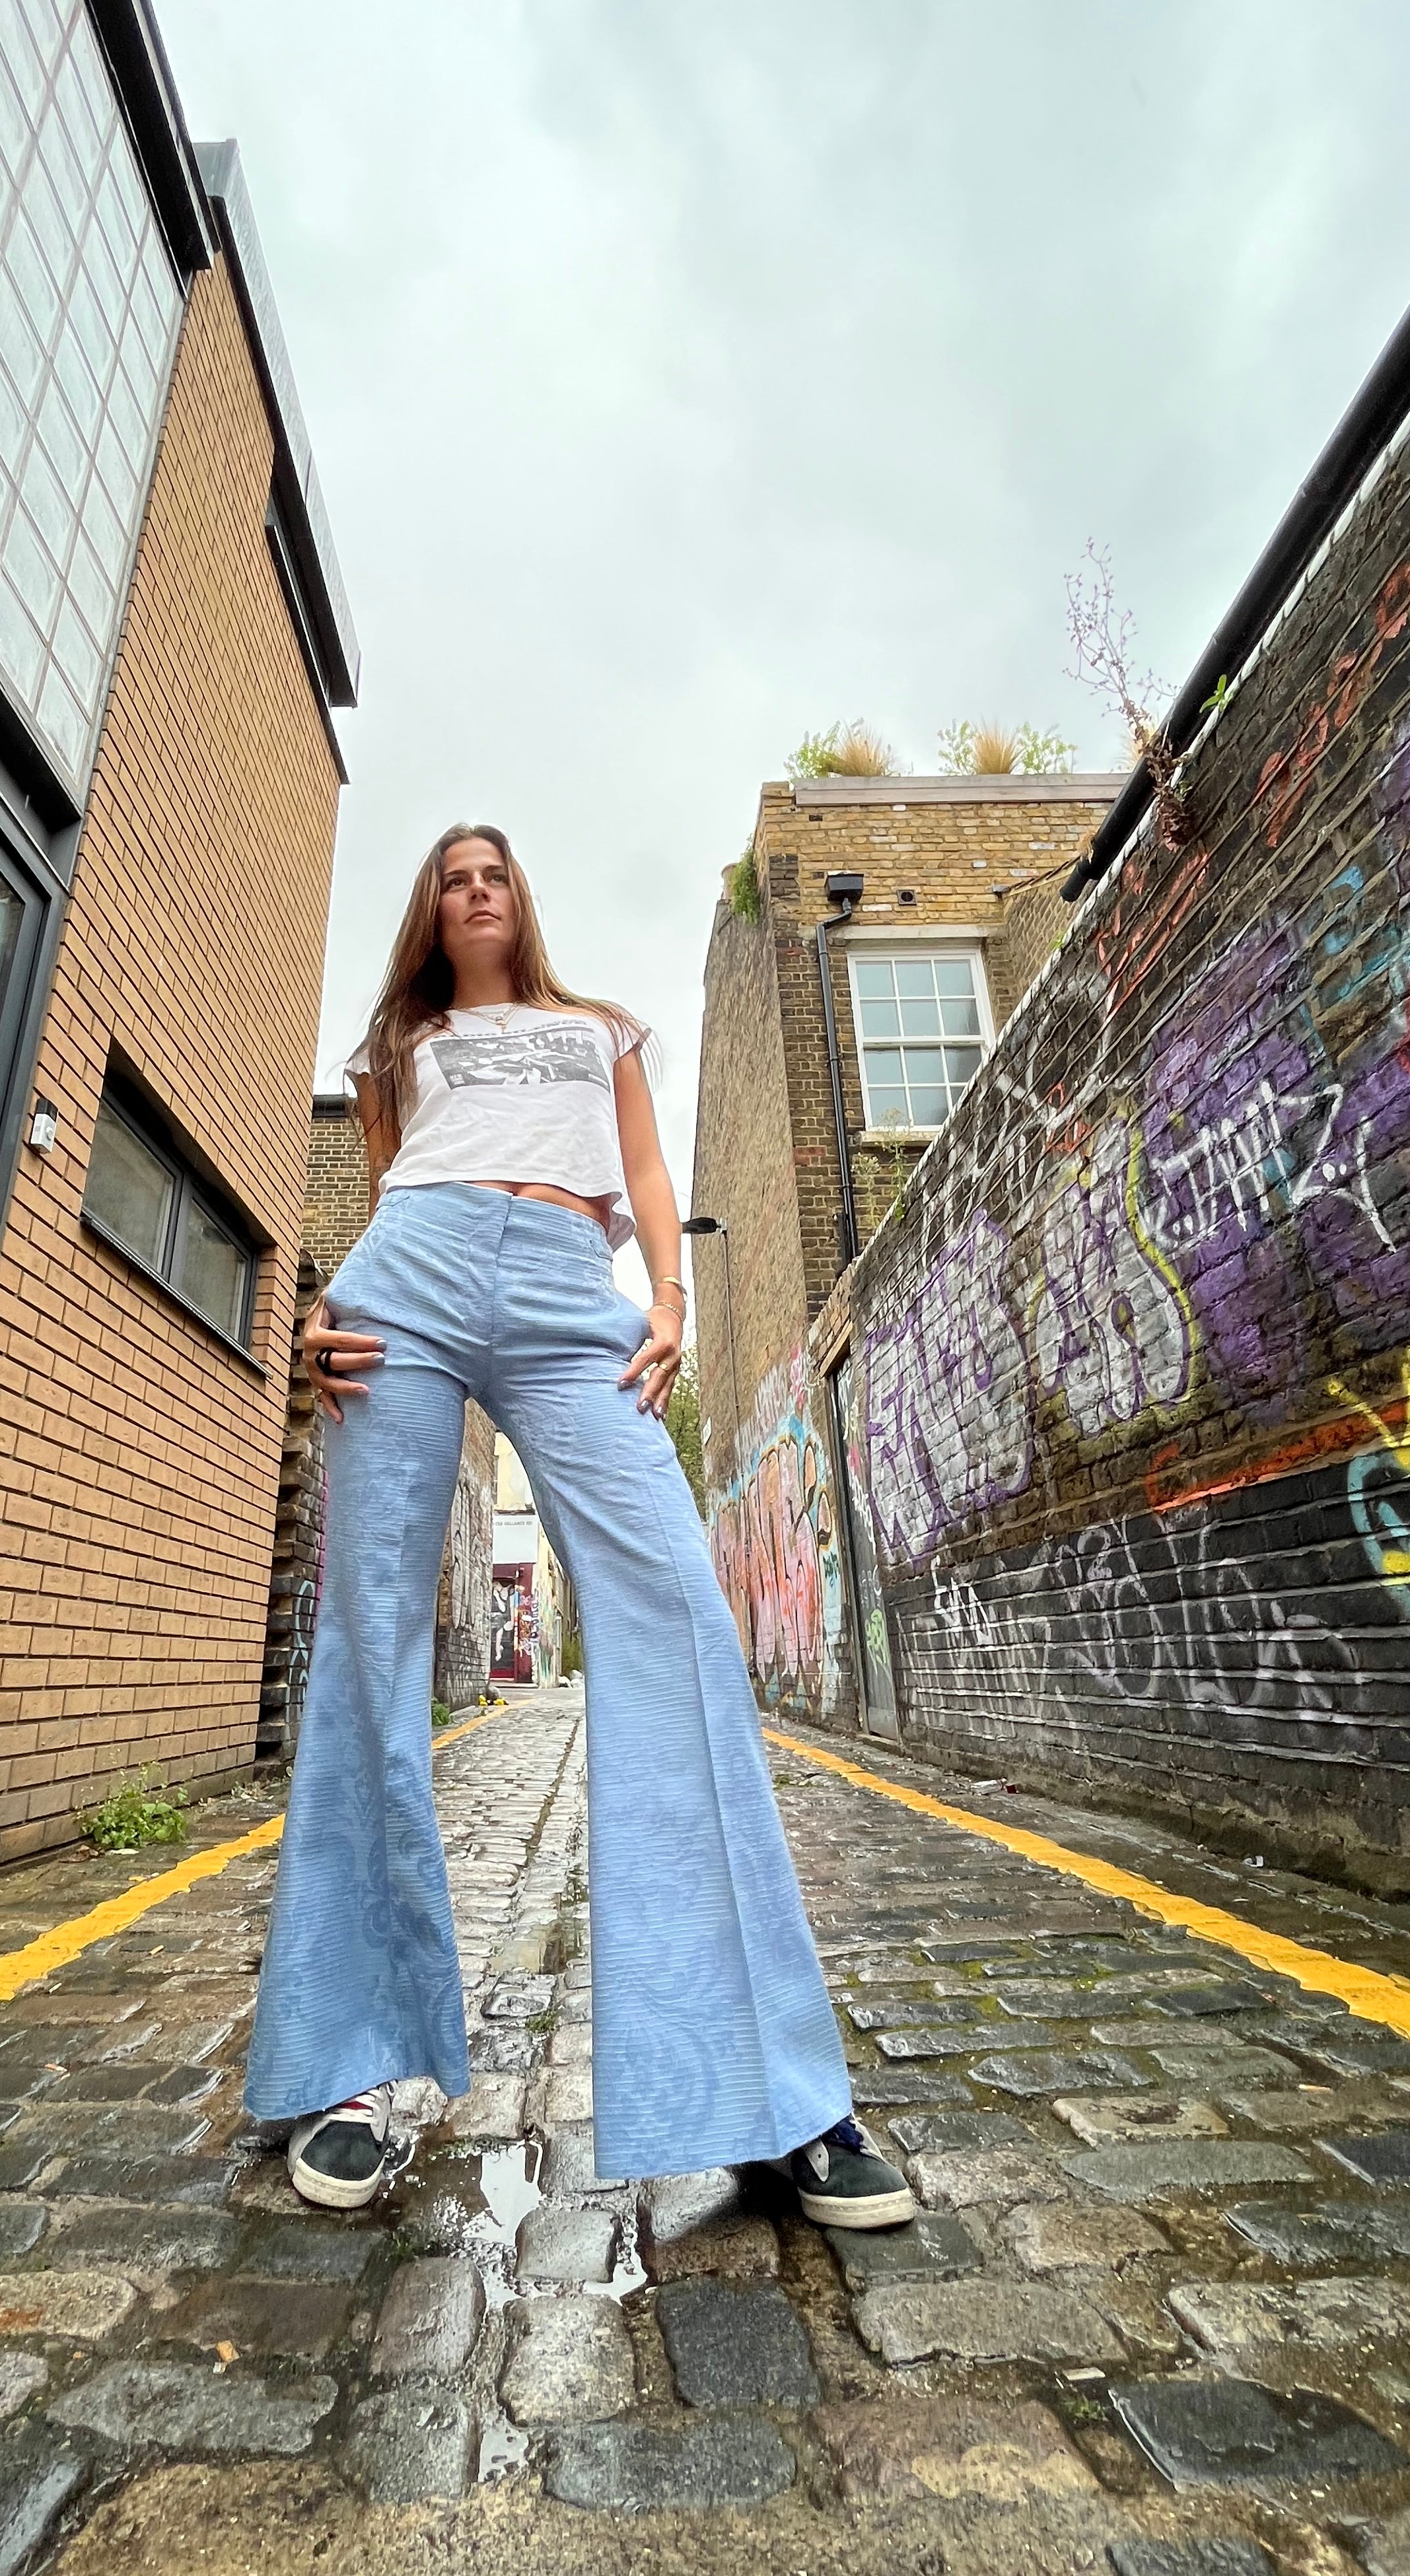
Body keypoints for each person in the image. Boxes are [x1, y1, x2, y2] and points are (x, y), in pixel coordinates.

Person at [242, 825, 912, 2232]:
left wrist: (670, 1304)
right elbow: (379, 1203)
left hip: (566, 1290)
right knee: (369, 1641)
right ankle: (355, 2069)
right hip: (406, 1285)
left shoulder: (598, 1028)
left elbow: (649, 1179)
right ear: (429, 912)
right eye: (450, 877)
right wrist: (324, 1315)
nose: (475, 889)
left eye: (494, 871)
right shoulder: (402, 1048)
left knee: (677, 1616)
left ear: (522, 895)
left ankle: (768, 2096)